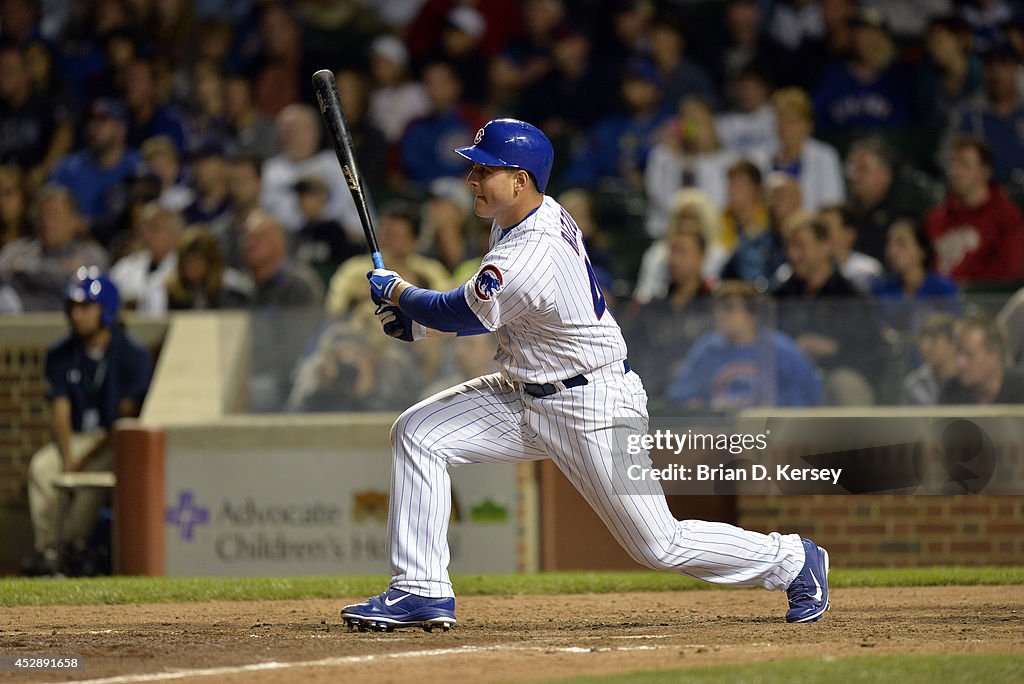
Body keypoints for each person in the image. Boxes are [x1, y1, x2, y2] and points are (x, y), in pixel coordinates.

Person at [340, 118, 830, 631]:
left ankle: (792, 559)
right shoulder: (516, 216)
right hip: (524, 393)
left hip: (591, 403)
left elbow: (462, 311)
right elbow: (504, 314)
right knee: (419, 434)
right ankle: (420, 591)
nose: (472, 178)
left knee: (658, 544)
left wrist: (398, 292)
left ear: (520, 180)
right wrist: (416, 328)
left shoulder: (535, 247)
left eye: (484, 170)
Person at [25, 269, 152, 575]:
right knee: (42, 469)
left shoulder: (131, 354)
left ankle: (71, 547)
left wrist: (84, 459)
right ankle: (48, 550)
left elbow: (124, 420)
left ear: (106, 310)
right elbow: (60, 409)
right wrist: (69, 456)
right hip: (74, 438)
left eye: (86, 308)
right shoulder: (61, 352)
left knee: (87, 486)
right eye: (73, 307)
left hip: (111, 442)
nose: (76, 315)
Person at [665, 281, 822, 409]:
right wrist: (695, 404)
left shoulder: (781, 349)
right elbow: (679, 391)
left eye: (729, 309)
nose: (719, 314)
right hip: (717, 437)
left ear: (752, 317)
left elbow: (809, 394)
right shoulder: (707, 348)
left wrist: (776, 408)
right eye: (717, 308)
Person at [925, 136, 1024, 285]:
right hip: (934, 302)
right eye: (953, 164)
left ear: (985, 172)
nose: (955, 172)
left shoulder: (1007, 218)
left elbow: (1011, 274)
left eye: (964, 165)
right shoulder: (936, 218)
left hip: (984, 302)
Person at [0, 185, 109, 311]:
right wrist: (62, 269)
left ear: (73, 220)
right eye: (42, 215)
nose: (46, 222)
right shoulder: (17, 250)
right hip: (20, 325)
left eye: (53, 215)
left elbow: (90, 282)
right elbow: (3, 270)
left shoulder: (91, 253)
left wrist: (22, 268)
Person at [750, 87, 844, 212]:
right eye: (780, 121)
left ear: (808, 125)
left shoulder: (825, 156)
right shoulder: (760, 158)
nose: (784, 128)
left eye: (791, 122)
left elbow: (832, 204)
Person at [109, 203, 182, 315]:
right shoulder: (125, 267)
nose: (147, 234)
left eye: (155, 228)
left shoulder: (184, 268)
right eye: (144, 228)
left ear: (175, 233)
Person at [940, 314, 1024, 404]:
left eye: (969, 355)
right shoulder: (951, 391)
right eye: (958, 354)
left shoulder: (1021, 388)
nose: (960, 363)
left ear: (995, 355)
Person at [164, 227, 250, 311]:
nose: (192, 266)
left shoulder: (231, 291)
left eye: (197, 259)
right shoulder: (175, 292)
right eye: (187, 261)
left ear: (211, 261)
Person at [902, 313, 959, 405]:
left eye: (934, 340)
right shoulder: (913, 384)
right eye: (923, 341)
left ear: (952, 343)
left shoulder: (966, 381)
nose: (925, 347)